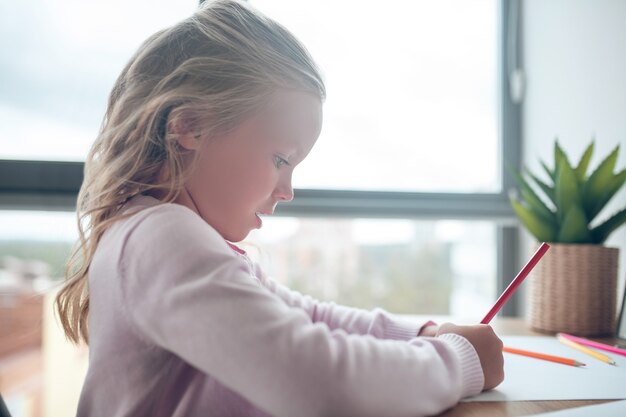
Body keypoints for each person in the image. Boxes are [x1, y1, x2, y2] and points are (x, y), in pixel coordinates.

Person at [55, 1, 504, 416]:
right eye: (280, 159)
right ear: (190, 126)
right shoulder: (162, 238)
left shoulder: (156, 232)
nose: (287, 190)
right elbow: (318, 382)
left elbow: (307, 316)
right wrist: (458, 360)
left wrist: (420, 335)